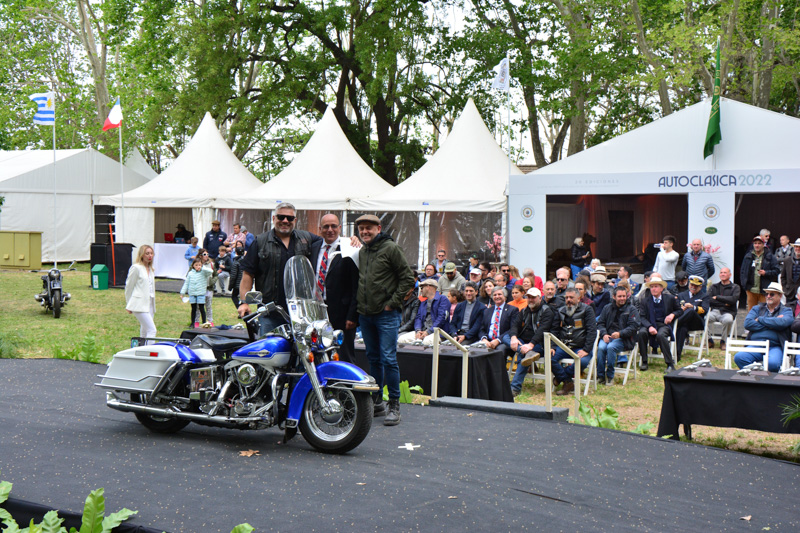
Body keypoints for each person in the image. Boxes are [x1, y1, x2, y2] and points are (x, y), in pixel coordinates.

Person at [355, 214, 415, 426]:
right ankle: (377, 402)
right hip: (366, 314)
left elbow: (408, 278)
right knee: (373, 359)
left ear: (378, 228)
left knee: (389, 358)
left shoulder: (391, 248)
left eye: (369, 228)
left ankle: (395, 405)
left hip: (387, 314)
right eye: (361, 228)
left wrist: (393, 302)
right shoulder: (363, 252)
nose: (365, 232)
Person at [237, 203, 323, 334]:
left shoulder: (307, 238)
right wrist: (244, 302)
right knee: (270, 352)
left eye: (289, 218)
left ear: (295, 220)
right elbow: (248, 274)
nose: (285, 221)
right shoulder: (260, 241)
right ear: (273, 218)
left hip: (301, 313)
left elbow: (330, 240)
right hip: (270, 312)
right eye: (281, 217)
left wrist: (351, 240)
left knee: (303, 353)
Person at [316, 213, 360, 364]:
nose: (330, 230)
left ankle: (345, 387)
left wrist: (352, 315)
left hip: (342, 315)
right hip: (316, 312)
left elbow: (356, 285)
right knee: (318, 354)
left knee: (344, 356)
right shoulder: (313, 247)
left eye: (334, 226)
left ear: (340, 228)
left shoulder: (350, 248)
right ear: (319, 229)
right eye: (326, 227)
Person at [734, 282, 793, 372]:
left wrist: (760, 319)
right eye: (766, 294)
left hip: (775, 346)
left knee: (772, 364)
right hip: (756, 344)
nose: (768, 296)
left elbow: (782, 323)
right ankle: (757, 379)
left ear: (780, 296)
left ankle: (765, 382)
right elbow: (748, 324)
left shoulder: (786, 311)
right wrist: (773, 324)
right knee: (739, 357)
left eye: (772, 294)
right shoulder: (756, 308)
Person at [506, 288, 554, 396]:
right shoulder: (524, 310)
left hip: (539, 344)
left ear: (540, 298)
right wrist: (514, 338)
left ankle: (515, 388)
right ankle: (525, 351)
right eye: (528, 297)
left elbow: (542, 330)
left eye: (533, 297)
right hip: (522, 341)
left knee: (524, 356)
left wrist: (531, 345)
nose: (530, 300)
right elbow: (515, 325)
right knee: (506, 336)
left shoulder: (547, 311)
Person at [550, 287, 597, 396]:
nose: (568, 300)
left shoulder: (587, 309)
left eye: (571, 297)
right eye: (566, 297)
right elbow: (554, 330)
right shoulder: (560, 310)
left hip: (581, 347)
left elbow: (592, 331)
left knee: (583, 362)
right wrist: (552, 346)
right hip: (564, 346)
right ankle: (568, 382)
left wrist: (586, 350)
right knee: (550, 358)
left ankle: (560, 376)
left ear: (579, 298)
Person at [636, 276, 682, 373]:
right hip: (649, 324)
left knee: (661, 335)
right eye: (652, 287)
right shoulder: (645, 301)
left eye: (656, 286)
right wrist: (649, 327)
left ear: (661, 288)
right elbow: (642, 317)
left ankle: (670, 364)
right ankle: (644, 361)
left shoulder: (670, 298)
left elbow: (680, 310)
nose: (653, 289)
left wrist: (672, 315)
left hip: (664, 324)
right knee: (641, 333)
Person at [596, 286, 640, 385]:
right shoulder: (607, 308)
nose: (622, 298)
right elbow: (600, 323)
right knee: (601, 348)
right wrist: (604, 334)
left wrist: (620, 334)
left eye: (624, 296)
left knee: (611, 348)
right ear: (614, 297)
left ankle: (610, 376)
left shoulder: (632, 309)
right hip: (608, 336)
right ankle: (600, 376)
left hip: (624, 339)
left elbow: (634, 327)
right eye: (619, 296)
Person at [398, 279, 450, 345]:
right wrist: (418, 330)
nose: (421, 290)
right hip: (423, 331)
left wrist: (429, 331)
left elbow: (441, 318)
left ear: (428, 287)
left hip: (439, 333)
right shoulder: (423, 303)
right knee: (402, 339)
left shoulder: (443, 299)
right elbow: (418, 318)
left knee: (427, 341)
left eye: (422, 288)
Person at [125, 245, 157, 343]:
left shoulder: (151, 269)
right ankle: (149, 352)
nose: (150, 256)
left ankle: (142, 350)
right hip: (138, 303)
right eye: (147, 253)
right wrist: (128, 304)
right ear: (142, 255)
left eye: (151, 253)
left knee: (145, 330)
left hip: (150, 302)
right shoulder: (136, 268)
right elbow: (129, 286)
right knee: (152, 330)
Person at [675, 275, 710, 361]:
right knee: (682, 328)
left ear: (700, 287)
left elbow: (705, 310)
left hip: (696, 322)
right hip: (684, 322)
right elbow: (675, 308)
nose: (693, 287)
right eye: (692, 285)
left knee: (691, 311)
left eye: (696, 286)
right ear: (689, 285)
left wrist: (693, 307)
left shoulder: (704, 296)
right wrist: (682, 309)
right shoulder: (681, 295)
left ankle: (674, 324)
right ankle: (677, 355)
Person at [741, 235, 779, 310]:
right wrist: (744, 285)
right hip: (751, 289)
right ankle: (752, 322)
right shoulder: (748, 256)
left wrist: (766, 273)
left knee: (765, 311)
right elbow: (743, 271)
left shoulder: (770, 256)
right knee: (751, 312)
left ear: (763, 244)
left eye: (759, 243)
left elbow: (777, 270)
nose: (757, 245)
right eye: (755, 243)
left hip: (765, 290)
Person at [707, 267, 741, 348]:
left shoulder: (735, 287)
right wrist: (725, 303)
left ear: (730, 275)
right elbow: (708, 300)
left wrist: (718, 297)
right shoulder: (714, 286)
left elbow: (733, 300)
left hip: (728, 312)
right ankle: (709, 340)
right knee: (703, 318)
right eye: (721, 272)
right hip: (715, 311)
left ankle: (723, 341)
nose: (722, 274)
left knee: (728, 320)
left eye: (725, 272)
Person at [478, 287, 518, 352]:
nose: (497, 296)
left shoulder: (512, 310)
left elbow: (513, 328)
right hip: (488, 341)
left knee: (499, 352)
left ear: (505, 296)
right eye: (494, 295)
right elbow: (481, 329)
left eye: (499, 294)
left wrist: (498, 340)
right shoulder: (487, 311)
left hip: (502, 341)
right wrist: (484, 339)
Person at [181, 258, 213, 328]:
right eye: (196, 265)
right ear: (193, 266)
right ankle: (192, 323)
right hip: (192, 293)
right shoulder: (190, 273)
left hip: (201, 293)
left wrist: (203, 268)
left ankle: (204, 322)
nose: (198, 266)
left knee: (202, 308)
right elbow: (186, 283)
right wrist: (182, 292)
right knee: (193, 309)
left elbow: (210, 271)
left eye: (199, 265)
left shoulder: (204, 272)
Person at [196, 248, 218, 326]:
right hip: (200, 288)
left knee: (208, 305)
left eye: (207, 254)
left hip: (209, 288)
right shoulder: (196, 264)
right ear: (201, 256)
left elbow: (215, 275)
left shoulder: (211, 264)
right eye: (205, 254)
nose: (207, 256)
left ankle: (210, 321)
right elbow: (190, 274)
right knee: (198, 306)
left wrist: (213, 281)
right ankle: (196, 321)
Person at [780, 238, 800, 308]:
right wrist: (785, 289)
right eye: (796, 247)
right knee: (789, 313)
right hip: (789, 293)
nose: (798, 249)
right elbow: (783, 277)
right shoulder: (787, 260)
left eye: (799, 247)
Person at [229, 241, 246, 309]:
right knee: (243, 297)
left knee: (234, 296)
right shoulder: (246, 261)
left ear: (236, 252)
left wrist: (230, 286)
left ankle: (240, 309)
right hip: (245, 283)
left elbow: (233, 275)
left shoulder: (236, 262)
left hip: (237, 283)